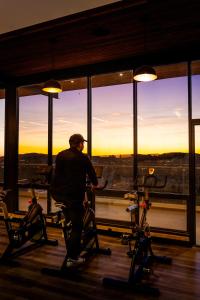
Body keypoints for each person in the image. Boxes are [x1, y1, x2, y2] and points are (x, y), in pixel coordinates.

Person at [51, 133, 98, 267]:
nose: (83, 145)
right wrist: (95, 184)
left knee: (70, 219)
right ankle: (72, 258)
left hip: (58, 194)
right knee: (78, 226)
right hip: (72, 196)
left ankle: (69, 236)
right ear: (79, 144)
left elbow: (58, 173)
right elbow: (92, 174)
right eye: (82, 143)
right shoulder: (83, 158)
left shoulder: (60, 155)